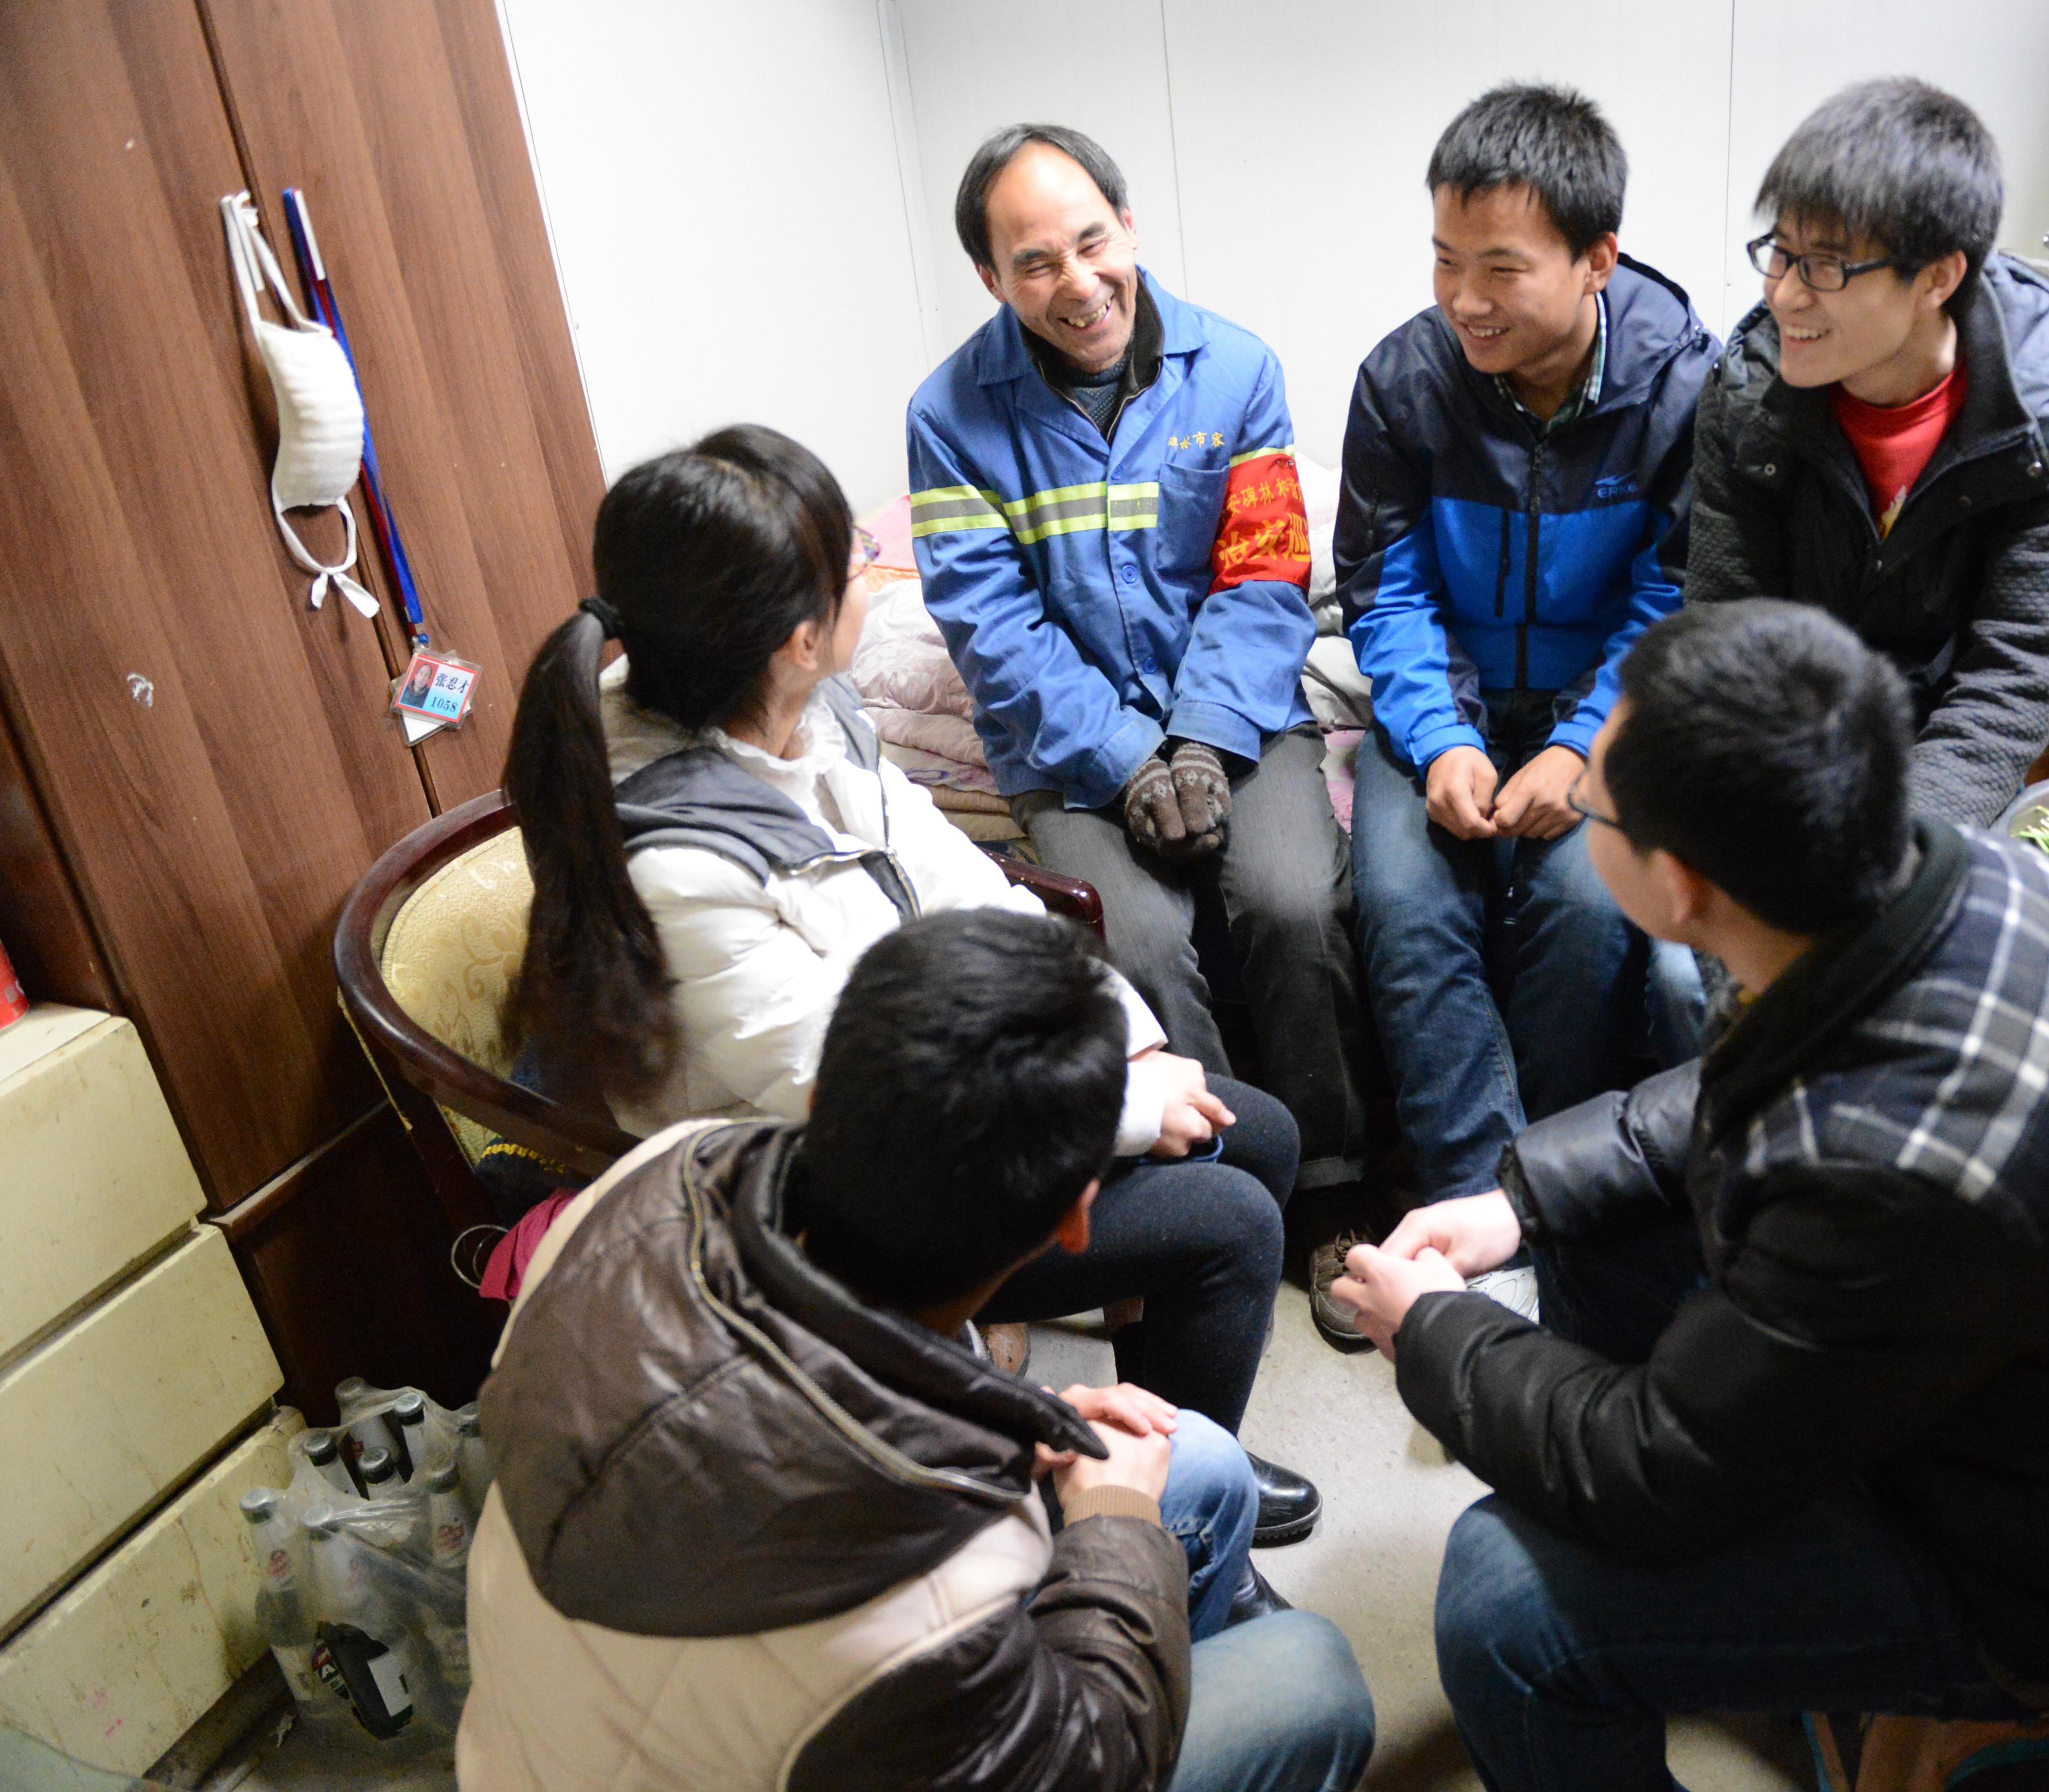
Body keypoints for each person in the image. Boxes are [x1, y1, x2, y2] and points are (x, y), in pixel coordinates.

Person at [1331, 602, 2049, 1792]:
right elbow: (1757, 1073)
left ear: (1682, 886)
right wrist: (1520, 1200)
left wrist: (1433, 1331)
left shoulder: (1891, 1164)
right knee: (1591, 1230)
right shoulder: (1944, 872)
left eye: (1594, 807)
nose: (1577, 810)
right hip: (2020, 1403)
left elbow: (1653, 1464)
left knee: (1506, 1603)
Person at [502, 424, 1321, 1540]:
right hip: (812, 1204)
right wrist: (1122, 1104)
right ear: (801, 639)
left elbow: (959, 880)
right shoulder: (680, 863)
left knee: (1258, 1133)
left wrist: (1122, 1039)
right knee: (1228, 1218)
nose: (871, 575)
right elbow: (857, 1103)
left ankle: (1167, 1440)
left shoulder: (801, 712)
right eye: (853, 566)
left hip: (916, 1092)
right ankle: (1153, 1517)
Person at [460, 909, 1375, 1791]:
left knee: (1200, 1463)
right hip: (864, 1705)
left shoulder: (659, 1177)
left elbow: (804, 1397)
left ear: (825, 1097)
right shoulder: (944, 1593)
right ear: (1076, 1217)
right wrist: (1115, 1530)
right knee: (1311, 1676)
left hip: (568, 1737)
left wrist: (1006, 1420)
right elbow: (1089, 1762)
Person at [907, 123, 1369, 1198]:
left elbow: (1264, 573)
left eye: (1091, 242)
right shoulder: (948, 416)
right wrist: (1125, 760)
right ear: (991, 278)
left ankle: (1333, 1180)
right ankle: (1225, 1191)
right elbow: (990, 624)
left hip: (1240, 718)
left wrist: (1202, 741)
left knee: (1296, 901)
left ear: (1128, 226)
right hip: (1068, 748)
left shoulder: (1237, 370)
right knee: (1135, 939)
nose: (1078, 284)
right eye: (1035, 263)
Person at [1324, 85, 1714, 1348]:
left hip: (1603, 720)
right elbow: (1385, 587)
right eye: (1445, 260)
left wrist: (1579, 744)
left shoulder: (1684, 388)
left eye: (1500, 267)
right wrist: (1440, 736)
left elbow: (1672, 596)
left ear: (1597, 259)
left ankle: (1543, 1197)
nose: (1464, 299)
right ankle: (1471, 1233)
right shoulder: (1402, 381)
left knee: (1586, 905)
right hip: (1445, 707)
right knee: (1402, 897)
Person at [1686, 79, 2049, 827]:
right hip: (1790, 748)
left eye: (1826, 266)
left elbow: (2017, 668)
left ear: (1937, 279)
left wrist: (1897, 842)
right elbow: (1731, 633)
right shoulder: (1748, 392)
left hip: (1951, 767)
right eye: (1781, 253)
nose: (1785, 296)